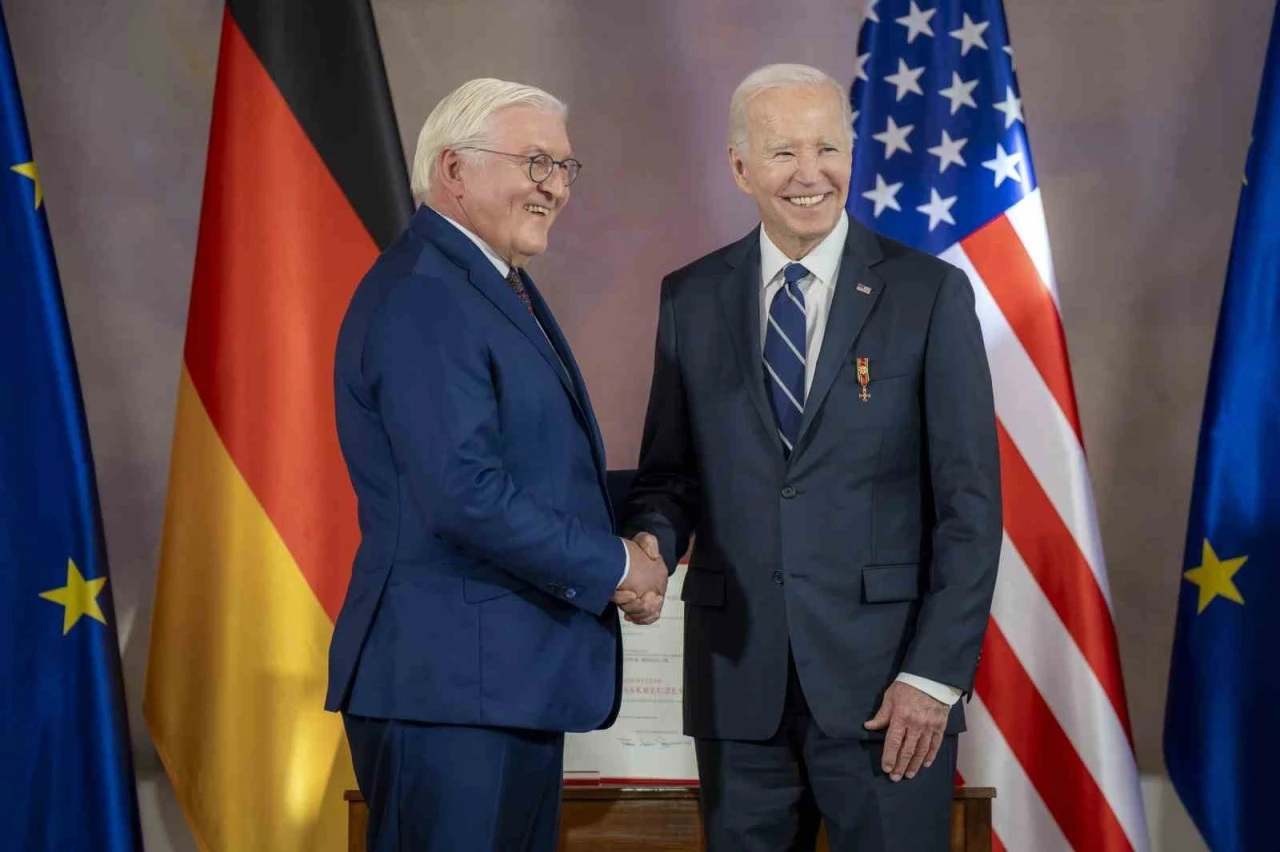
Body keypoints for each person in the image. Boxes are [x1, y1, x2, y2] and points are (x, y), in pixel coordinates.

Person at [619, 63, 1002, 852]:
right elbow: (670, 475)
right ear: (740, 167)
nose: (810, 173)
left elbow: (969, 506)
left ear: (852, 156)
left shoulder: (929, 294)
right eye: (784, 151)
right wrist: (650, 542)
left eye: (827, 148)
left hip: (889, 692)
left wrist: (933, 677)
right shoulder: (690, 297)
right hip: (738, 687)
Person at [325, 78, 668, 852]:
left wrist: (668, 506)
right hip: (449, 689)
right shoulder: (426, 294)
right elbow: (464, 494)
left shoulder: (487, 285)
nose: (556, 187)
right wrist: (618, 563)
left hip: (498, 685)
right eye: (535, 162)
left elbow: (537, 475)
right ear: (455, 169)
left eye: (565, 167)